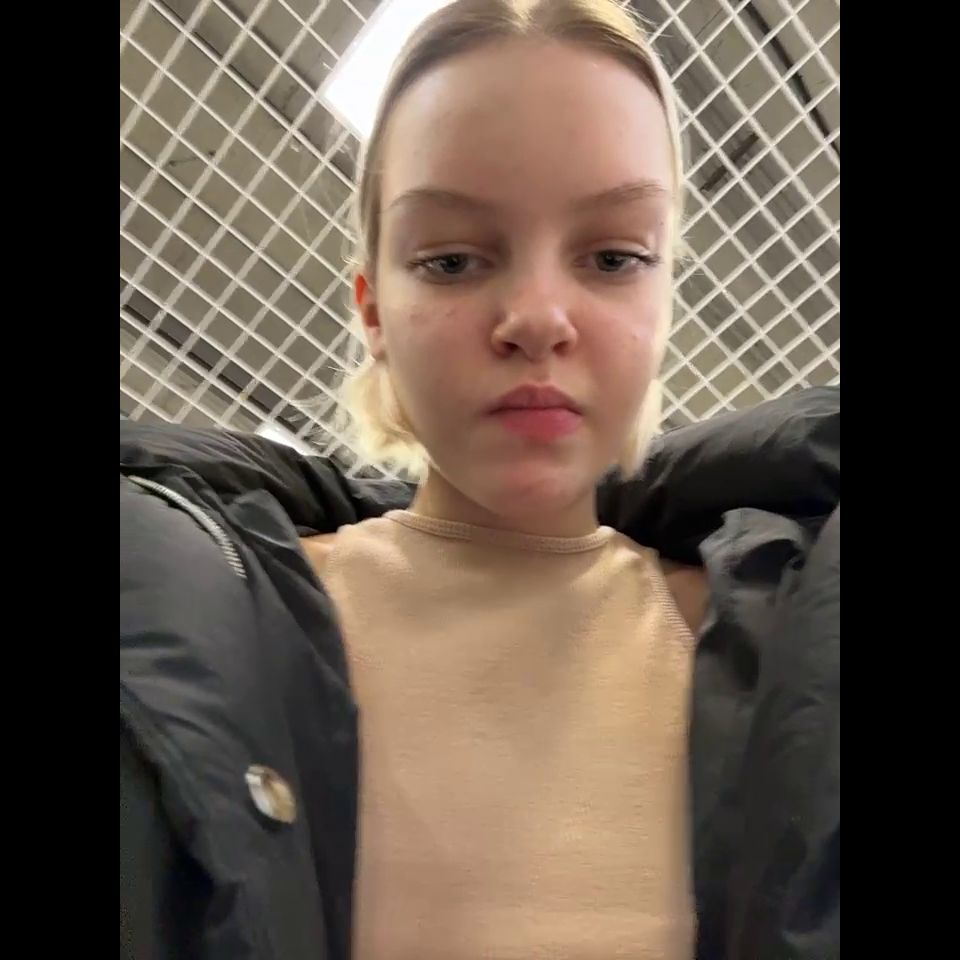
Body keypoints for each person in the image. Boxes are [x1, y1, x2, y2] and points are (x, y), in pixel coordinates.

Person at [119, 1, 840, 958]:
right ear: (373, 309)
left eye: (614, 257)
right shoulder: (220, 624)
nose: (536, 317)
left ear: (665, 297)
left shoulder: (785, 657)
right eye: (452, 260)